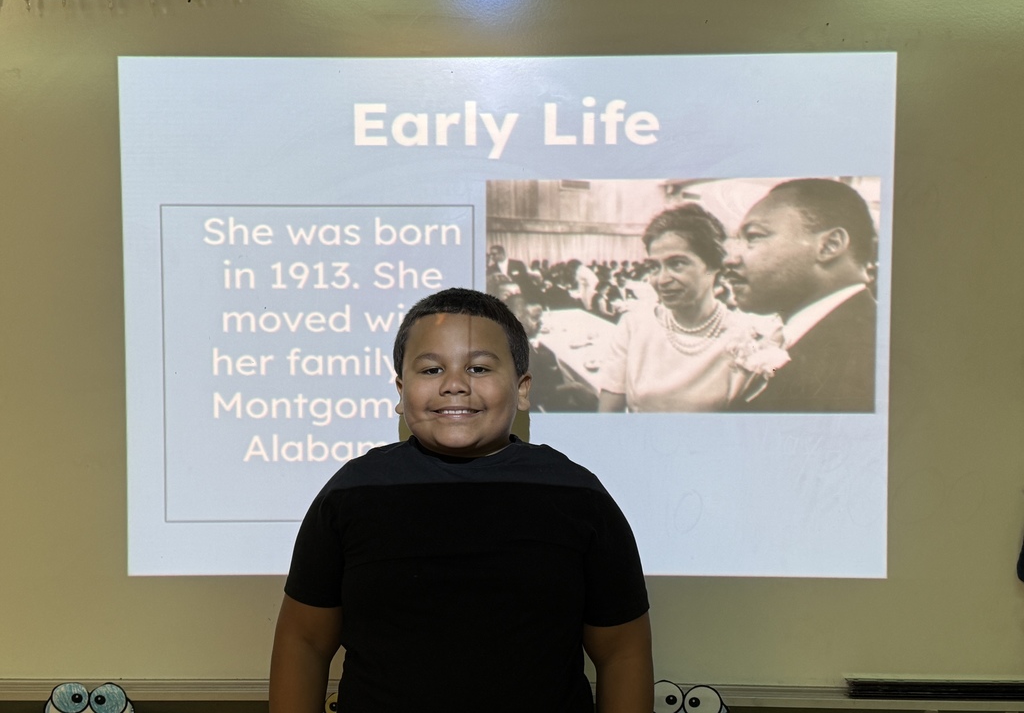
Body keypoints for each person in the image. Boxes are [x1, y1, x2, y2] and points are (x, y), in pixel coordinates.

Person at [269, 288, 653, 713]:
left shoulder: (578, 497)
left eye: (478, 367)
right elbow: (303, 641)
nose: (454, 385)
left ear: (523, 389)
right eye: (431, 369)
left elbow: (623, 652)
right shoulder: (351, 493)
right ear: (400, 390)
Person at [722, 178, 877, 412]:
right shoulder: (848, 339)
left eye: (753, 236)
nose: (730, 259)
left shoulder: (866, 359)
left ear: (829, 245)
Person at [598, 204, 771, 413]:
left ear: (714, 265)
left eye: (677, 264)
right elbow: (608, 418)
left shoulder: (748, 338)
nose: (661, 279)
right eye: (655, 267)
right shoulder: (634, 326)